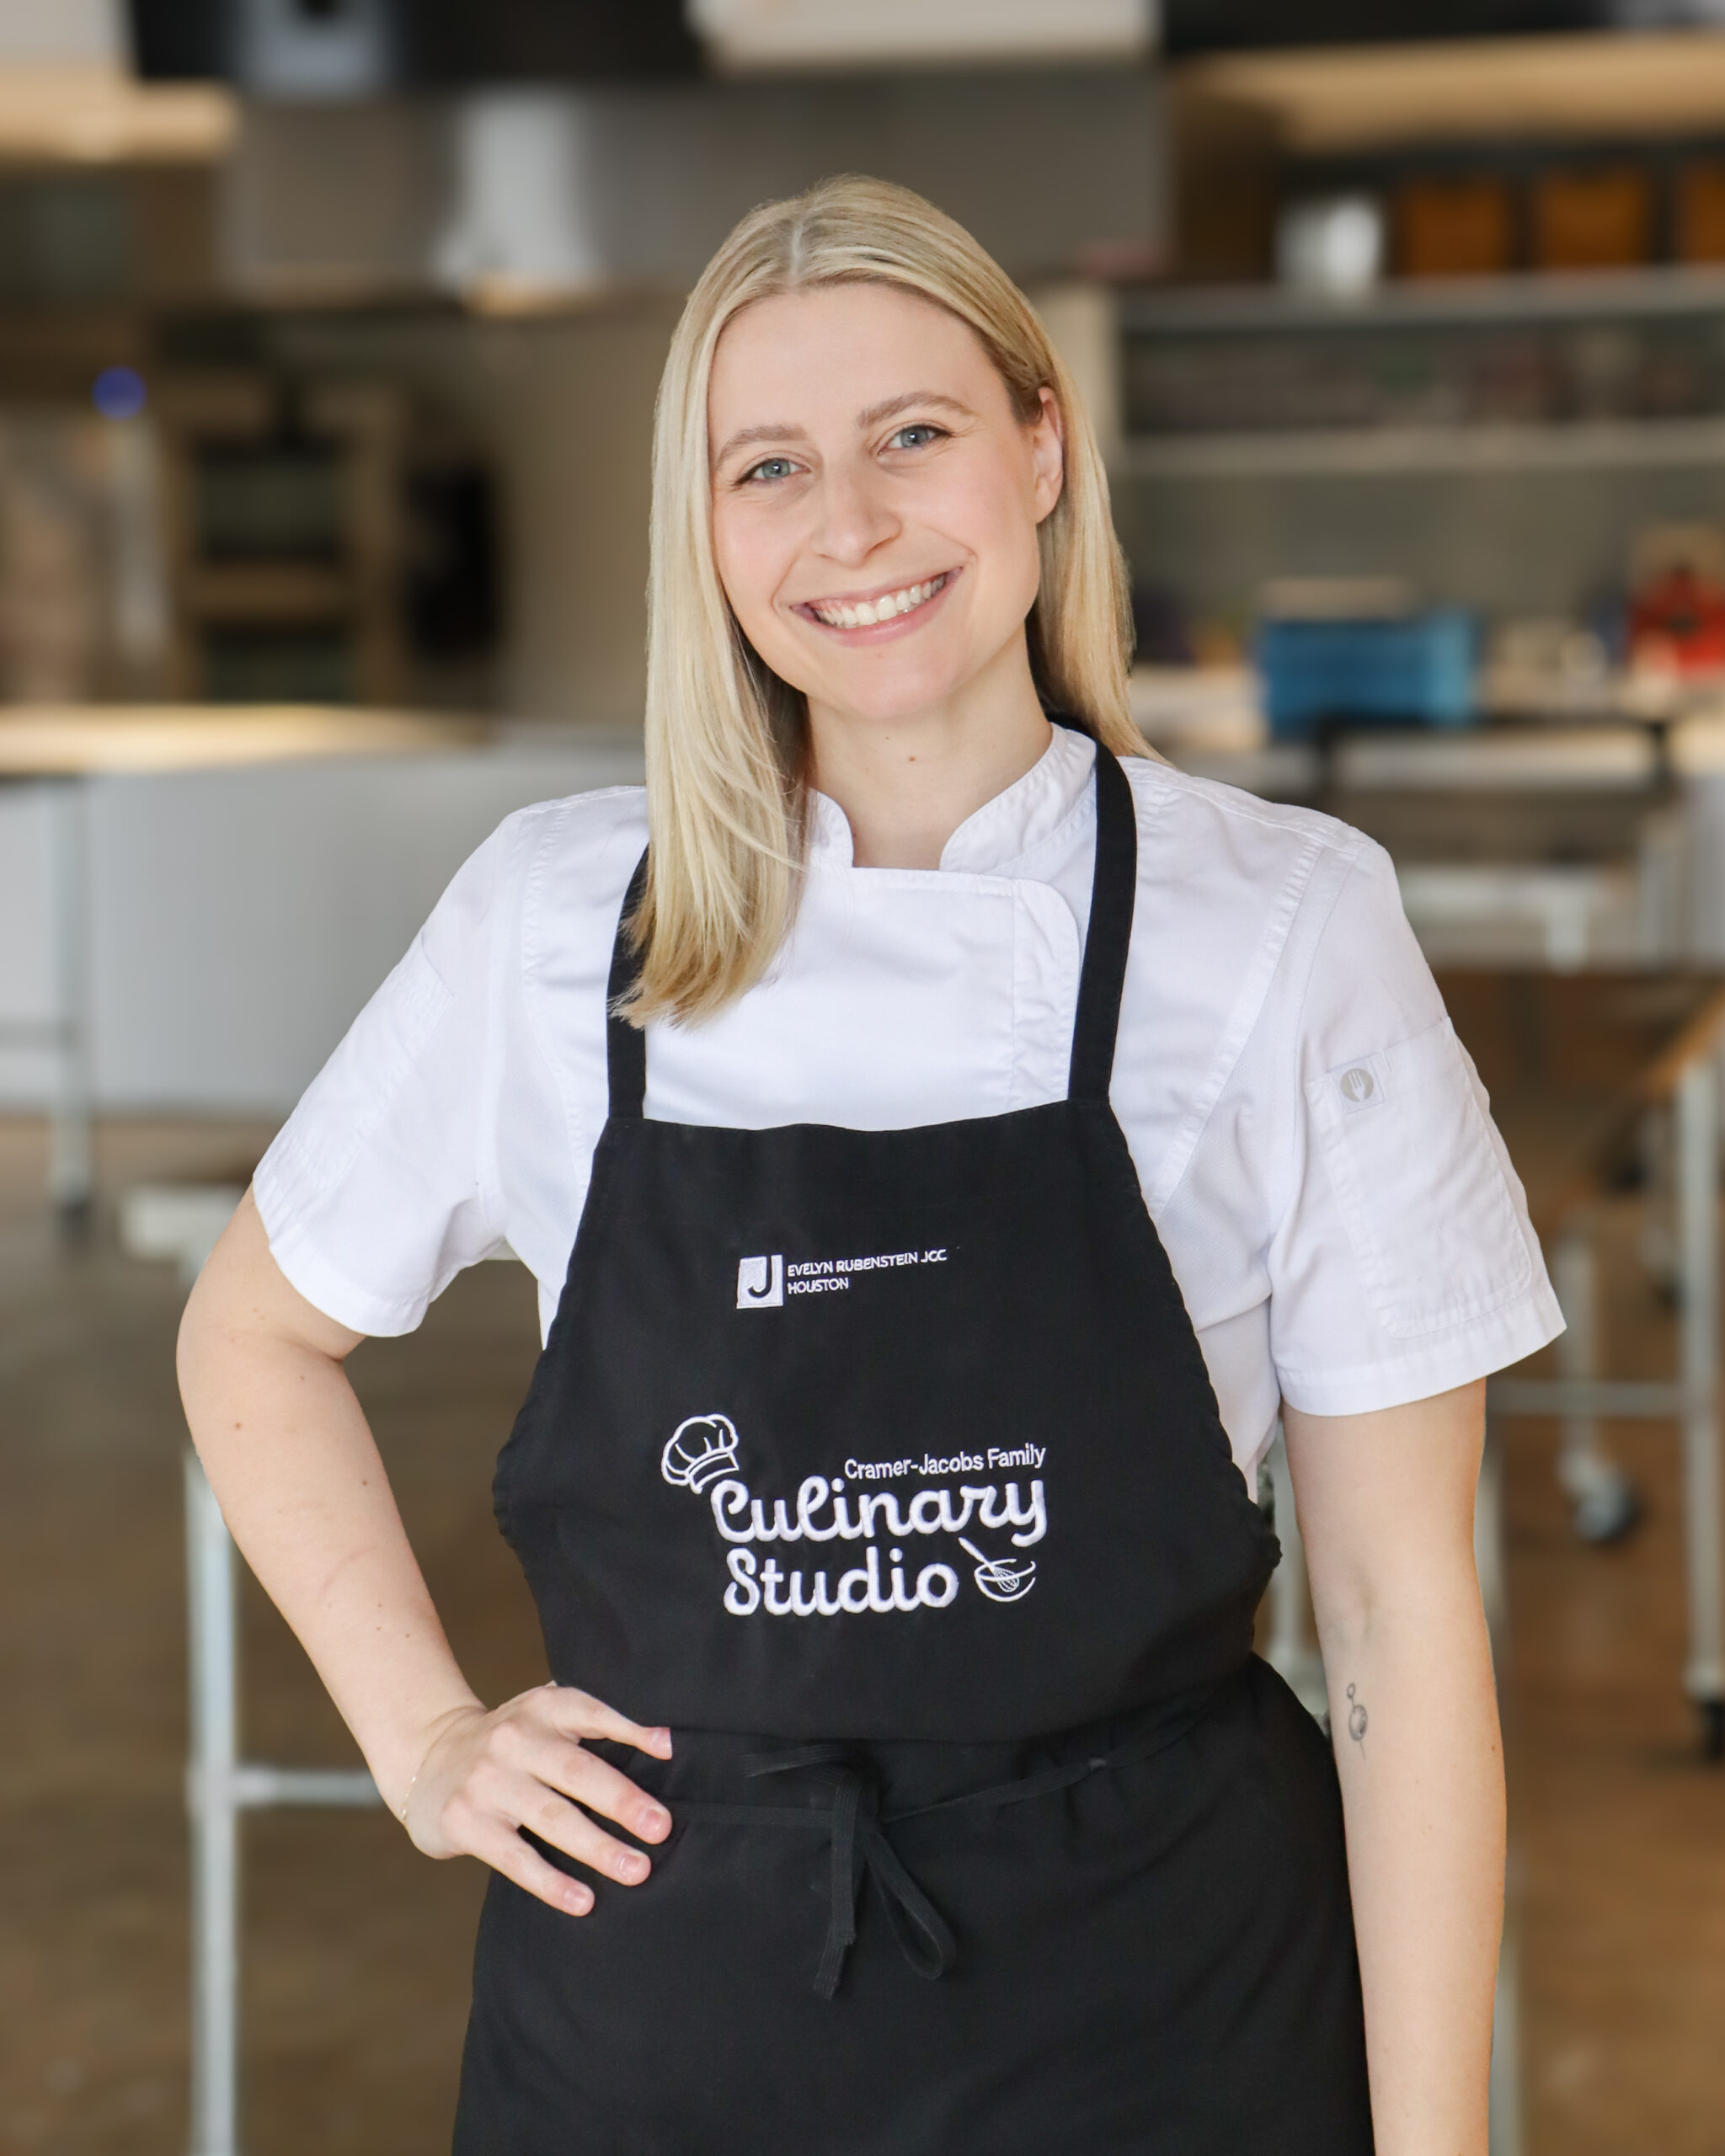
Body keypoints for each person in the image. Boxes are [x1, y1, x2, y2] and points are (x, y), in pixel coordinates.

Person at [178, 176, 1562, 2154]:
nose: (851, 525)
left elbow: (1400, 1619)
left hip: (1159, 2009)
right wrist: (425, 1734)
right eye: (770, 466)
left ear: (1039, 444)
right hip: (658, 2035)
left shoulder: (1281, 926)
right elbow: (249, 1336)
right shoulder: (555, 922)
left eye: (912, 433)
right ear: (707, 529)